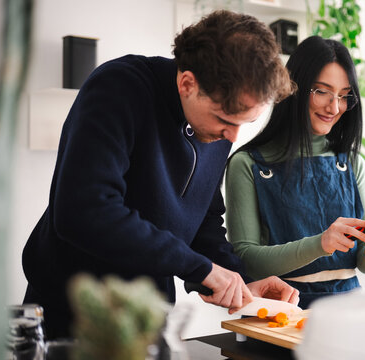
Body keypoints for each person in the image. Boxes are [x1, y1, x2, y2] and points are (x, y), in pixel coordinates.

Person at [22, 10, 299, 339]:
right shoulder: (119, 88)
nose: (233, 137)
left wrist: (238, 280)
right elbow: (85, 211)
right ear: (187, 83)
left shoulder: (215, 127)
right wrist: (200, 268)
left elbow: (203, 223)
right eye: (226, 119)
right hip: (74, 315)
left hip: (147, 316)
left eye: (244, 123)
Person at [225, 36, 365, 309]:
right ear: (293, 88)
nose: (334, 107)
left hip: (348, 311)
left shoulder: (353, 163)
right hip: (279, 310)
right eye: (322, 91)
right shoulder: (248, 163)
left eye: (344, 96)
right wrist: (321, 243)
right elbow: (247, 260)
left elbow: (364, 266)